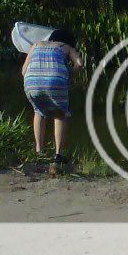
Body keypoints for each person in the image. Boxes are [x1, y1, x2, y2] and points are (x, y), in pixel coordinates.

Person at [21, 28, 84, 169]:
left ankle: (39, 152)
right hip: (55, 80)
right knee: (60, 114)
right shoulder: (65, 46)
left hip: (31, 81)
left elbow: (23, 70)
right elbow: (79, 63)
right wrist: (69, 73)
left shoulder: (35, 45)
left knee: (38, 111)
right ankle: (58, 156)